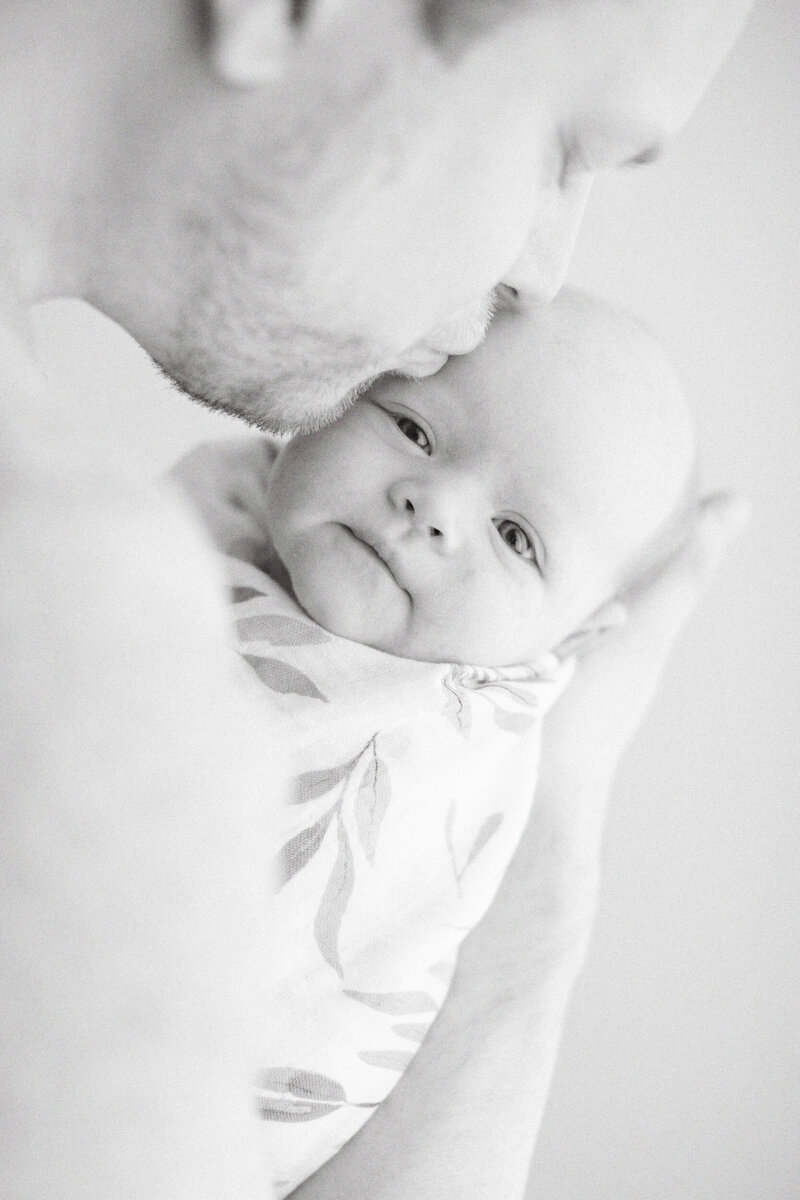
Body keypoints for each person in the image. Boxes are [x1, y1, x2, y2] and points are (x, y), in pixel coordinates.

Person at [0, 0, 752, 1196]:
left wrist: (550, 816)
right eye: (563, 148)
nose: (539, 273)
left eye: (514, 536)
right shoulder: (92, 640)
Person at [170, 289, 698, 1196]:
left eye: (515, 536)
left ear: (572, 640)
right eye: (412, 429)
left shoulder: (484, 718)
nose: (433, 504)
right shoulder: (199, 517)